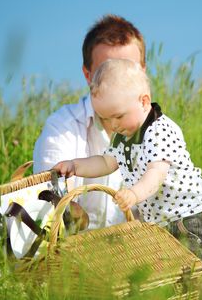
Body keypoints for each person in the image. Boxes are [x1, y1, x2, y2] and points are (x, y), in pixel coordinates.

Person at [53, 59, 202, 264]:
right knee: (166, 269)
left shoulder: (160, 131)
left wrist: (134, 193)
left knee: (191, 269)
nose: (113, 125)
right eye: (106, 119)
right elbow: (106, 163)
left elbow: (155, 173)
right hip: (163, 221)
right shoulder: (123, 136)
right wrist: (75, 166)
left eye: (119, 116)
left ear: (143, 101)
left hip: (192, 216)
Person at [33, 15, 146, 229]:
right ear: (88, 75)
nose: (119, 85)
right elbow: (55, 208)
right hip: (76, 255)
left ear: (144, 73)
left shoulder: (157, 131)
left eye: (129, 72)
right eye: (107, 73)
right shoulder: (61, 129)